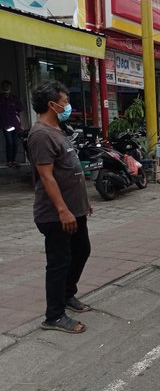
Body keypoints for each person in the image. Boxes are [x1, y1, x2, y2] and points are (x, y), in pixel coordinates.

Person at [27, 81, 93, 334]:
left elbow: (69, 170)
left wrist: (82, 203)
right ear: (51, 105)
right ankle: (54, 315)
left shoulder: (57, 129)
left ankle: (68, 294)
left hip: (75, 209)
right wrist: (63, 210)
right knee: (59, 262)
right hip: (56, 214)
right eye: (64, 102)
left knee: (82, 251)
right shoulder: (41, 134)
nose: (67, 106)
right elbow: (46, 177)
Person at [0, 80, 24, 167]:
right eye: (5, 86)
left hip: (15, 123)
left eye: (8, 86)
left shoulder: (14, 98)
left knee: (15, 143)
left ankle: (14, 160)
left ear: (10, 87)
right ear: (2, 87)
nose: (6, 88)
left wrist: (21, 124)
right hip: (5, 124)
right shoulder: (1, 99)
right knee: (9, 142)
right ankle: (9, 161)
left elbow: (20, 111)